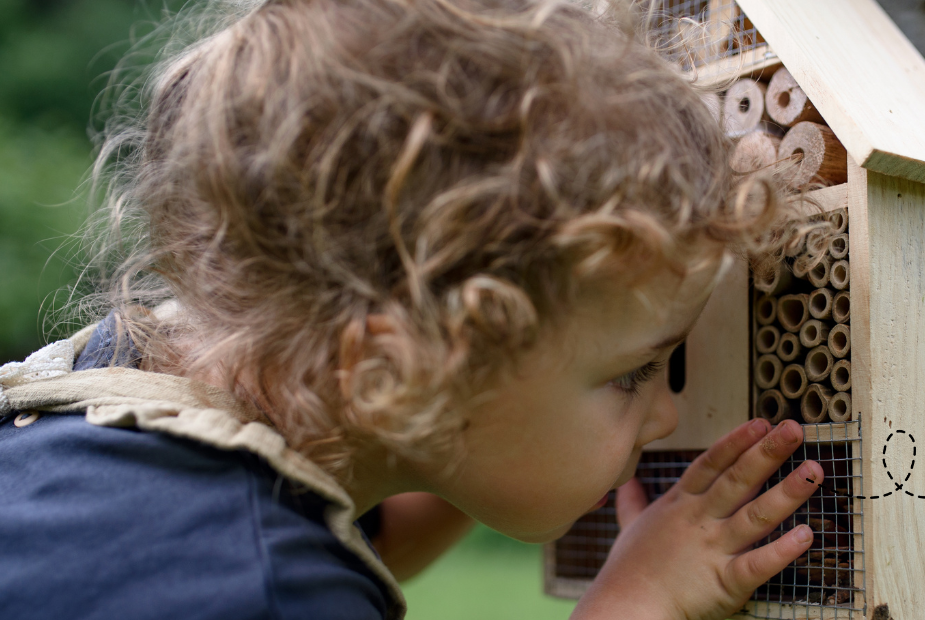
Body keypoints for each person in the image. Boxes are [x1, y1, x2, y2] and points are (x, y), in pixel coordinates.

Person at [0, 0, 829, 618]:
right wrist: (640, 601)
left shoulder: (117, 402)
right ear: (400, 377)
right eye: (633, 372)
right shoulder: (268, 591)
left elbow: (363, 494)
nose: (667, 413)